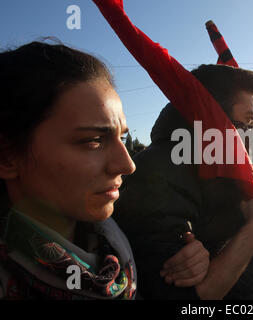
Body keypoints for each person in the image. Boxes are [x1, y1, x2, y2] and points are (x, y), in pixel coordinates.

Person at [93, 0, 253, 300]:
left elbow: (227, 239)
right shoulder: (158, 174)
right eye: (249, 122)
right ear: (212, 118)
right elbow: (184, 300)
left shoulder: (223, 169)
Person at [0, 41, 209, 299]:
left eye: (122, 138)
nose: (127, 164)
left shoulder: (116, 242)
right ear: (7, 157)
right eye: (93, 141)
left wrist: (187, 255)